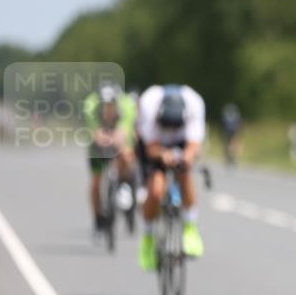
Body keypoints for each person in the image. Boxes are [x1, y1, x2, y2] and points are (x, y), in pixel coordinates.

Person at [136, 84, 206, 271]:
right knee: (156, 190)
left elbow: (193, 146)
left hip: (183, 143)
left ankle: (190, 228)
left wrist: (185, 158)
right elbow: (150, 148)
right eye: (167, 126)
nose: (171, 130)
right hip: (154, 145)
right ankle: (149, 239)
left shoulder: (194, 103)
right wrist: (162, 156)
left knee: (185, 173)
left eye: (175, 126)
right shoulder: (148, 104)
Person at [82, 82, 137, 242]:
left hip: (119, 134)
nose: (108, 110)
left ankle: (124, 184)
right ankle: (97, 221)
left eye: (111, 106)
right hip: (100, 138)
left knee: (126, 154)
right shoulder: (90, 105)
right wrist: (100, 137)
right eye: (104, 106)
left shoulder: (127, 105)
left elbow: (124, 131)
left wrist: (117, 140)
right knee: (96, 182)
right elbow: (95, 131)